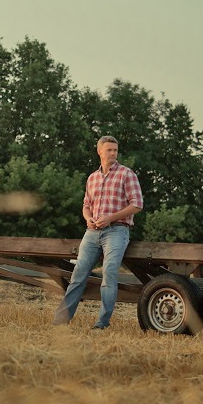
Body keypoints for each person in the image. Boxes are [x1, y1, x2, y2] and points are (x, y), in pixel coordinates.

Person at [52, 135, 143, 330]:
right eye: (109, 150)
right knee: (78, 274)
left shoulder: (127, 174)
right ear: (99, 151)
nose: (113, 153)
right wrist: (88, 218)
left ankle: (101, 324)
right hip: (92, 232)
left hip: (117, 231)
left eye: (115, 150)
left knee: (109, 274)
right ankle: (60, 321)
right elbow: (86, 206)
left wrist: (111, 217)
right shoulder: (92, 178)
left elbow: (137, 205)